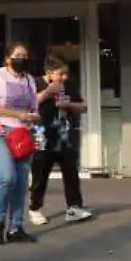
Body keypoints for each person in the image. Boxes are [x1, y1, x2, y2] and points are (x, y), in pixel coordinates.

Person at [0, 43, 45, 245]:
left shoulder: (29, 81)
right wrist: (16, 114)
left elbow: (34, 108)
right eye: (18, 55)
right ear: (8, 58)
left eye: (25, 56)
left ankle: (16, 227)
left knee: (20, 182)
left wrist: (33, 118)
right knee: (7, 177)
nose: (22, 59)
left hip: (22, 134)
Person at [28, 56, 94, 227]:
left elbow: (83, 107)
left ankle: (74, 207)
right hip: (42, 136)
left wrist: (69, 105)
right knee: (41, 173)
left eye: (66, 74)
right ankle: (35, 207)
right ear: (49, 73)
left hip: (65, 136)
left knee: (71, 172)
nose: (64, 77)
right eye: (60, 74)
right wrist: (47, 93)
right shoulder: (34, 83)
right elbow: (26, 104)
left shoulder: (68, 86)